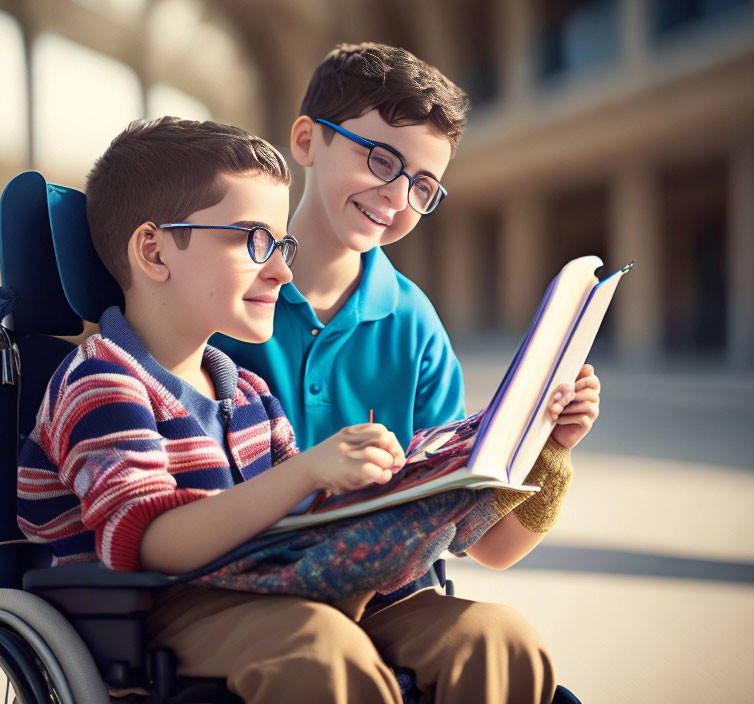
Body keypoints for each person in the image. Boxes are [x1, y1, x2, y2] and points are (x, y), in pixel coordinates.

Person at [211, 43, 603, 702]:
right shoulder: (224, 290)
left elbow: (490, 550)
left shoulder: (414, 324)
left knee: (501, 639)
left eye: (423, 185)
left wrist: (553, 451)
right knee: (322, 657)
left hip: (385, 600)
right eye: (380, 159)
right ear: (306, 140)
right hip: (241, 592)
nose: (396, 197)